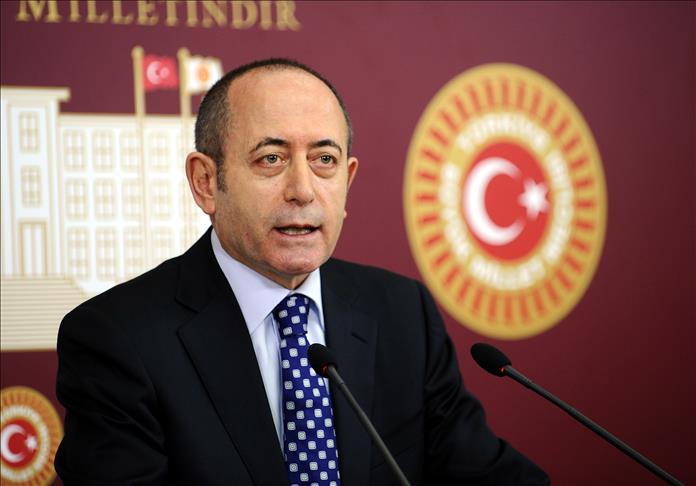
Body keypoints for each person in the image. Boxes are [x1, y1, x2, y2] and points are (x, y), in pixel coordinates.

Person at [55, 58, 549, 485]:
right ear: (206, 182)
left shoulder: (402, 313)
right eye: (271, 159)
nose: (303, 190)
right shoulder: (119, 340)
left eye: (324, 160)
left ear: (348, 179)